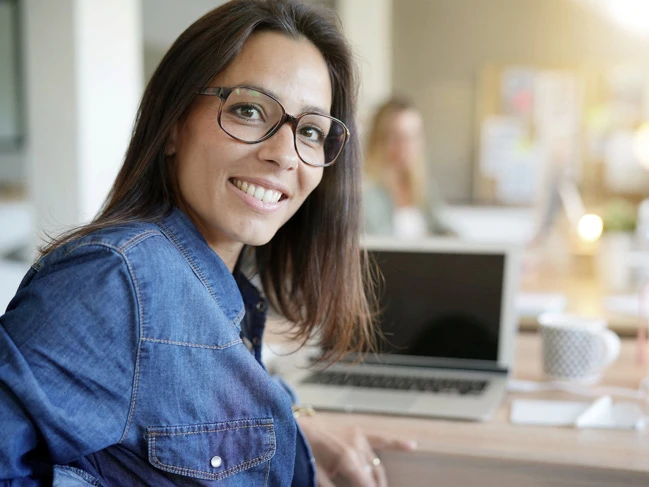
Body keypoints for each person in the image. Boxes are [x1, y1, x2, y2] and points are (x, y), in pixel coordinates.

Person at [0, 1, 414, 486]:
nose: (284, 154)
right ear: (174, 124)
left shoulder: (216, 286)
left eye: (310, 131)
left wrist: (295, 425)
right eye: (248, 110)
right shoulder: (117, 281)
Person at [363, 97, 455, 238]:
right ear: (379, 140)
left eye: (414, 137)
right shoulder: (364, 192)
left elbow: (447, 231)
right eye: (397, 137)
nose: (407, 146)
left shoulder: (425, 187)